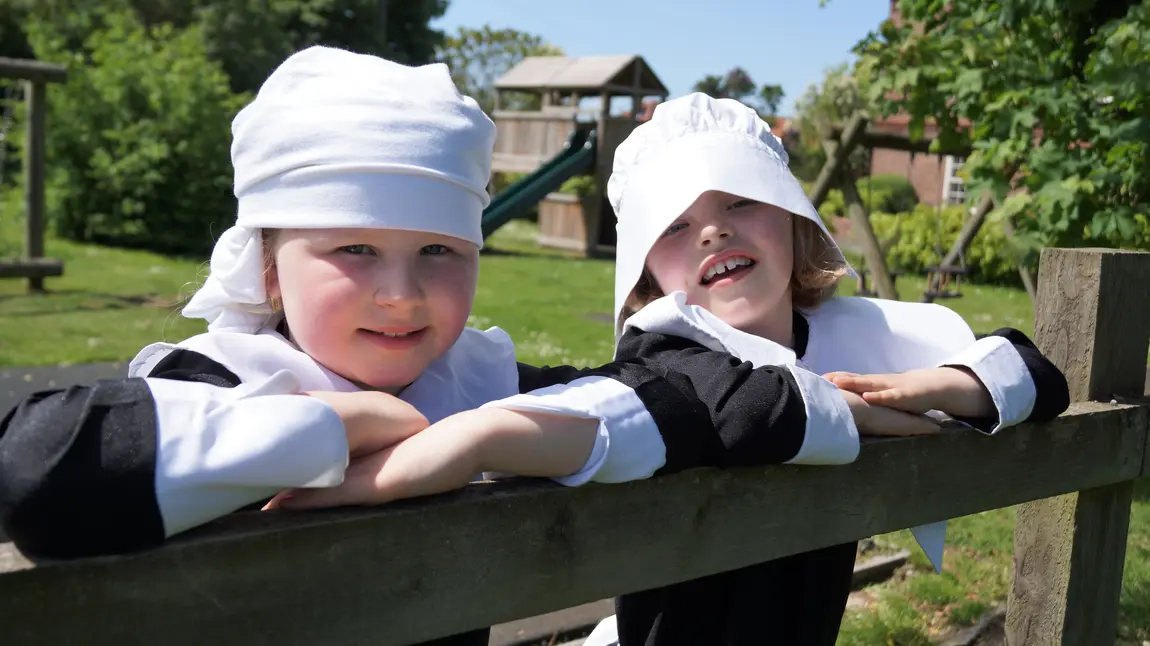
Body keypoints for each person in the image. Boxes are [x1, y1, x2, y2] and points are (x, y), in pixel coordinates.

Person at [0, 50, 882, 646]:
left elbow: (703, 390)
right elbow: (41, 471)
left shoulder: (471, 377)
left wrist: (479, 434)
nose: (400, 292)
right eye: (354, 249)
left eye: (439, 253)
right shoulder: (221, 376)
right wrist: (343, 423)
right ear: (269, 269)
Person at [570, 93, 1072, 646]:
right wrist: (849, 409)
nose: (712, 233)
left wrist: (939, 384)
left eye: (740, 201)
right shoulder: (659, 354)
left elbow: (1037, 374)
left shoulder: (854, 336)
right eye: (674, 225)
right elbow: (744, 409)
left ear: (792, 218)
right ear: (646, 273)